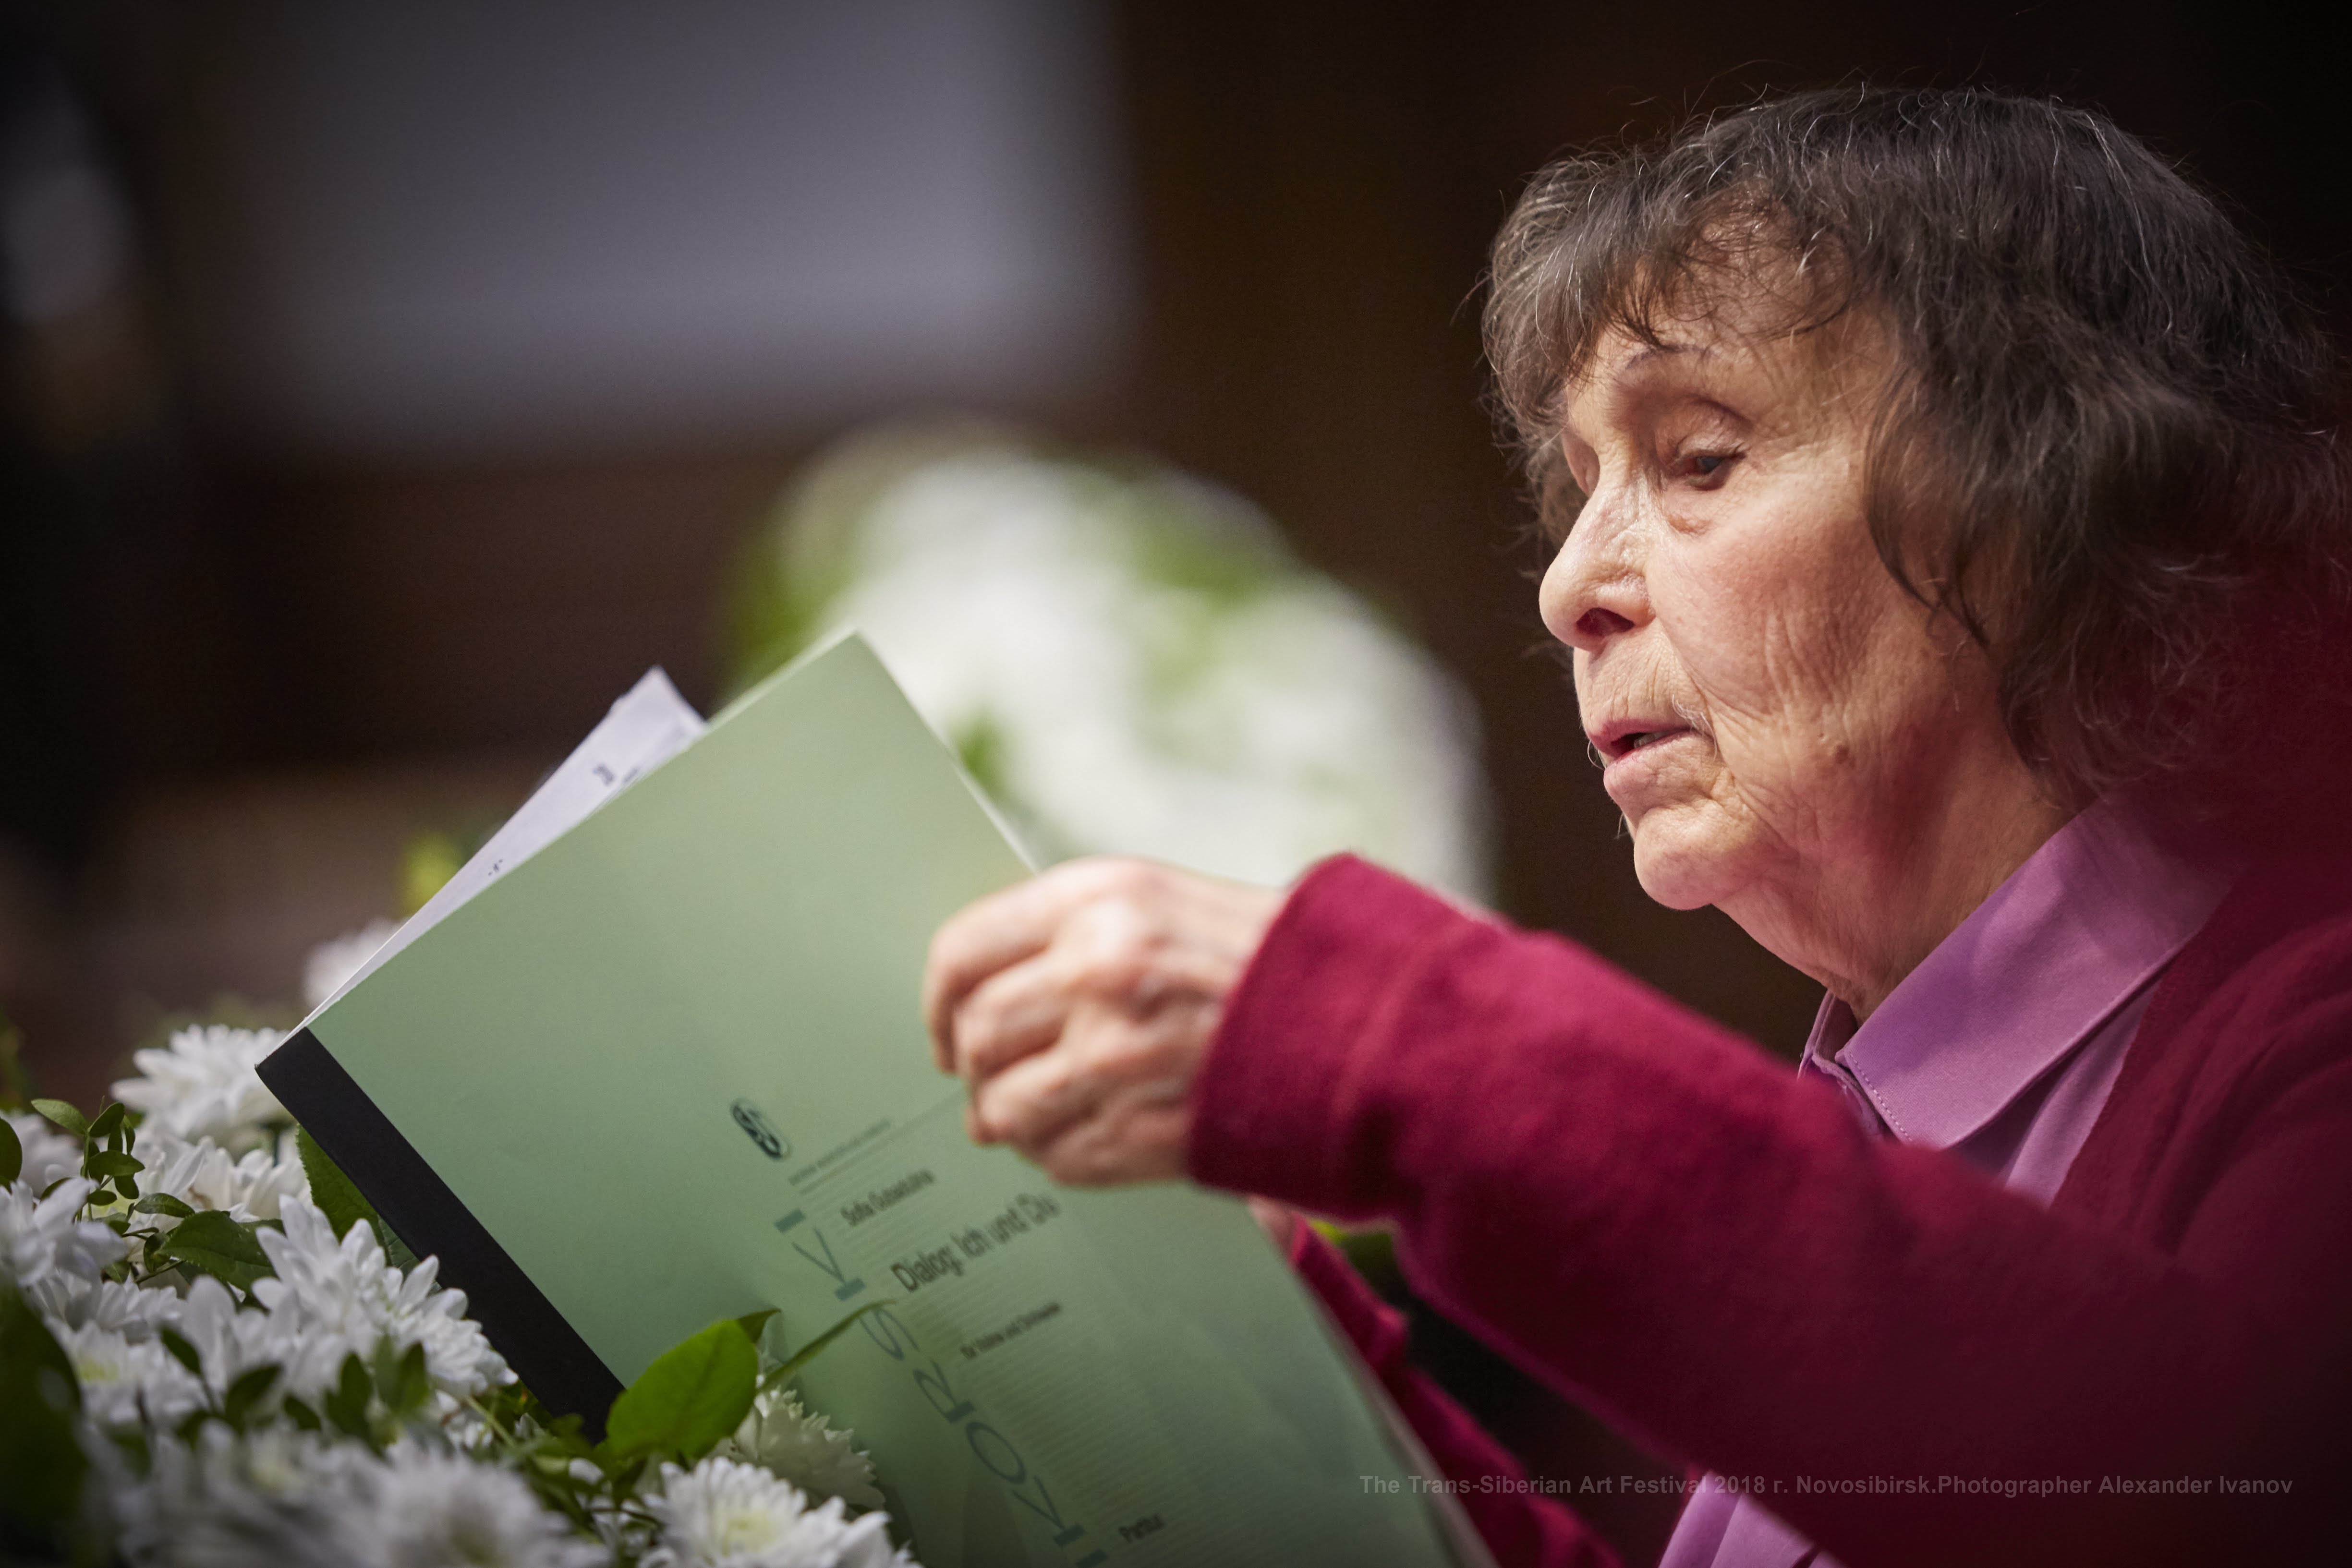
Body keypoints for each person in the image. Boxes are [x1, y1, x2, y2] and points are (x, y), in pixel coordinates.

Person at [922, 88, 2352, 1568]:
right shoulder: (1858, 1114)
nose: (1565, 588)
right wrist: (1276, 1378)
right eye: (1578, 484)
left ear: (2047, 501)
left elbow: (2202, 1490)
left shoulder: (2313, 1014)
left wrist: (1386, 1036)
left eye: (1696, 459)